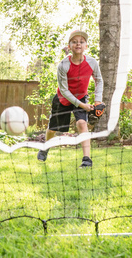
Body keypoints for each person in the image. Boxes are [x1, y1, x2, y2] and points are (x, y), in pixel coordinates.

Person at [37, 30, 104, 168]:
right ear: (69, 46)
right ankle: (45, 147)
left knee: (81, 124)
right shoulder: (63, 65)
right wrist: (83, 105)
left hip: (80, 96)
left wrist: (98, 100)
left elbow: (99, 80)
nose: (78, 44)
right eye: (74, 41)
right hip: (63, 99)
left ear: (86, 46)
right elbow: (64, 90)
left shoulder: (92, 62)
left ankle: (87, 160)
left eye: (81, 41)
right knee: (53, 129)